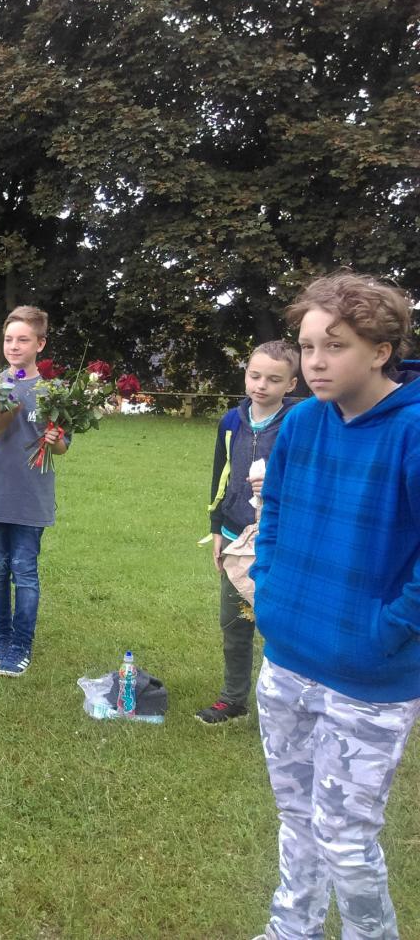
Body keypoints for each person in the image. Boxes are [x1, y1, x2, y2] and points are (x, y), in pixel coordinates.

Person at [250, 272, 420, 940]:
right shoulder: (300, 423)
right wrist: (269, 587)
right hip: (287, 661)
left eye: (335, 346)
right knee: (297, 821)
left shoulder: (412, 431)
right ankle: (291, 929)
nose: (315, 362)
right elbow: (274, 510)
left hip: (369, 679)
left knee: (345, 840)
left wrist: (388, 629)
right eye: (307, 346)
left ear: (381, 351)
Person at [197, 341, 299, 725]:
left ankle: (287, 706)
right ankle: (233, 699)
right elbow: (219, 477)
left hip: (281, 538)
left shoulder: (298, 423)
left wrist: (277, 487)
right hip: (235, 537)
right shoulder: (231, 422)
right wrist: (216, 529)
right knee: (235, 624)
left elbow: (312, 479)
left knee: (282, 627)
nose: (261, 385)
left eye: (273, 379)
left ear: (291, 384)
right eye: (255, 376)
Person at [0, 306, 66, 677]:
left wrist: (56, 440)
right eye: (9, 339)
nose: (13, 346)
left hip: (31, 498)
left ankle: (21, 644)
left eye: (23, 340)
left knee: (24, 571)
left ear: (40, 344)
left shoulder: (52, 392)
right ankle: (1, 638)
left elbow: (63, 446)